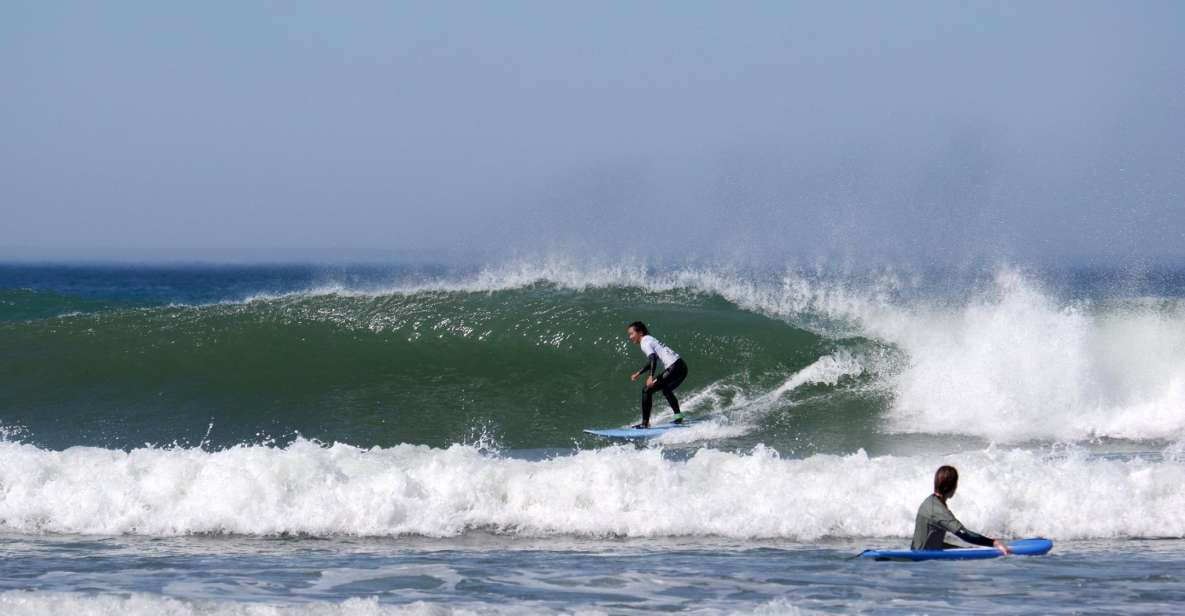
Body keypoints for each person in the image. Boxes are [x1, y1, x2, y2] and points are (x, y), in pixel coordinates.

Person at [912, 465, 1011, 553]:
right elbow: (964, 534)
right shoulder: (937, 510)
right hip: (922, 561)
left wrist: (968, 550)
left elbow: (932, 542)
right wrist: (995, 543)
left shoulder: (931, 501)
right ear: (952, 486)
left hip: (921, 555)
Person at [626, 321, 688, 429]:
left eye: (631, 334)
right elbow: (653, 359)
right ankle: (678, 416)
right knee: (666, 389)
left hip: (673, 367)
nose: (630, 337)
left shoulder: (644, 342)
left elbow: (653, 358)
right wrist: (639, 373)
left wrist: (650, 376)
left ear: (640, 332)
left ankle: (645, 423)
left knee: (646, 390)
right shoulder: (650, 339)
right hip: (681, 366)